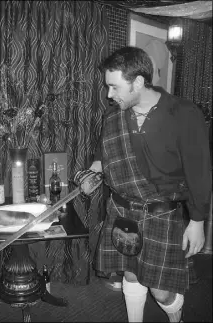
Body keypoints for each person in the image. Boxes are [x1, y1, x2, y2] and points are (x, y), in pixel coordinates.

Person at [81, 46, 211, 322]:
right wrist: (91, 174)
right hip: (122, 209)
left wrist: (198, 221)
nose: (109, 95)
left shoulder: (184, 114)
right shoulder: (113, 116)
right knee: (130, 272)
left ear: (138, 82)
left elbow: (199, 172)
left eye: (114, 87)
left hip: (161, 213)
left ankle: (177, 317)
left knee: (161, 291)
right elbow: (102, 157)